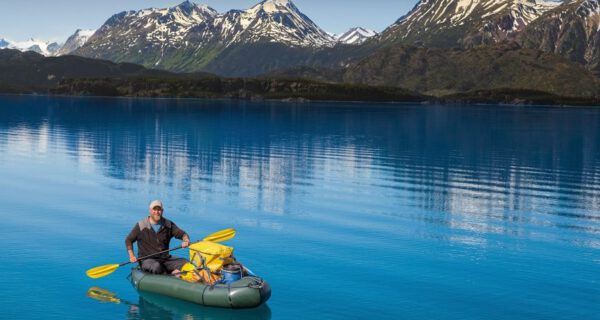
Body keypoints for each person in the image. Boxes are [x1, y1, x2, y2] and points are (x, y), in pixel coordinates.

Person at [125, 200, 191, 274]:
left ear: (162, 211)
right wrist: (132, 256)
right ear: (150, 210)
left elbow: (183, 234)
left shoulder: (168, 224)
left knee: (185, 262)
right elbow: (128, 240)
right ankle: (171, 275)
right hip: (147, 260)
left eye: (159, 210)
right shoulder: (141, 225)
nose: (157, 212)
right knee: (156, 266)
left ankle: (177, 274)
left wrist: (186, 240)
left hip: (165, 259)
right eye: (154, 209)